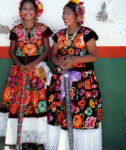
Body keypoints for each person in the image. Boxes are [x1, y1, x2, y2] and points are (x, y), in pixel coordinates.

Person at [0, 0, 53, 150]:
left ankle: (38, 140)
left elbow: (47, 51)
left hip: (38, 70)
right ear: (21, 11)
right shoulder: (16, 30)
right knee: (22, 104)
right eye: (25, 9)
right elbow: (11, 51)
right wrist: (19, 65)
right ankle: (25, 139)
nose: (28, 11)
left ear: (36, 11)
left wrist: (33, 65)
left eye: (31, 8)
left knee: (37, 104)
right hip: (19, 71)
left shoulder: (43, 29)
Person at [46, 0, 102, 150]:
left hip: (83, 83)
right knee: (61, 113)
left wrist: (74, 60)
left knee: (82, 113)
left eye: (68, 13)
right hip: (61, 81)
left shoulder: (87, 34)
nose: (64, 16)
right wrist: (59, 62)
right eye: (63, 13)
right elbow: (53, 56)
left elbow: (93, 56)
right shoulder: (59, 35)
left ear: (77, 15)